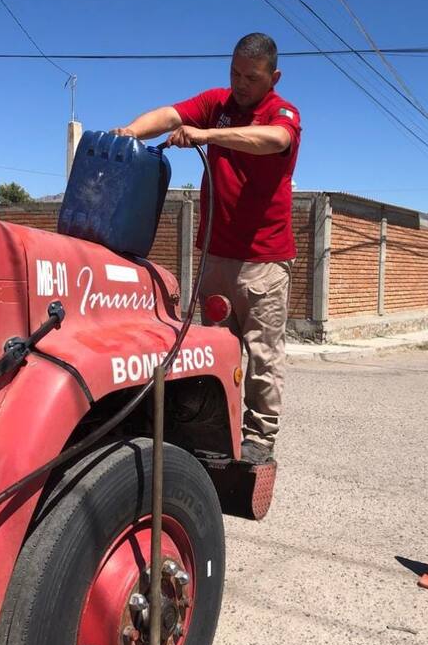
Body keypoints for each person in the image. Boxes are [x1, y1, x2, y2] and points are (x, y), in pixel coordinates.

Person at [113, 33, 302, 464]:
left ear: (273, 77)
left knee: (261, 354)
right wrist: (130, 133)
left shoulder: (282, 113)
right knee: (214, 350)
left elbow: (272, 140)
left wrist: (206, 136)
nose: (239, 83)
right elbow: (169, 114)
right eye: (234, 72)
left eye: (250, 77)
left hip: (264, 264)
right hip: (215, 256)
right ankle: (213, 429)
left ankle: (259, 437)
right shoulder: (217, 103)